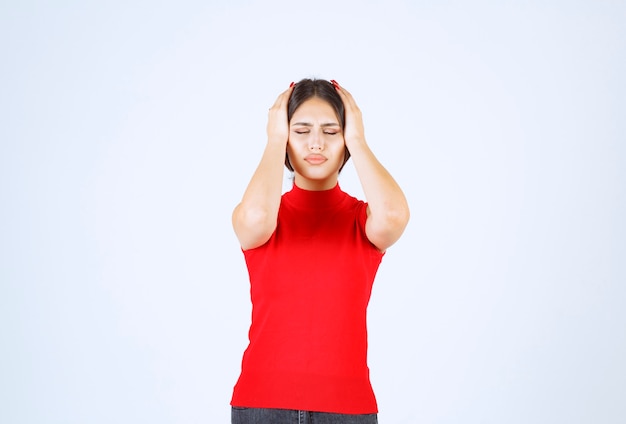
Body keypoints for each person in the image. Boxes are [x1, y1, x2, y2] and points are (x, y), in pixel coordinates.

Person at [230, 78, 410, 424]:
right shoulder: (266, 215)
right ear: (284, 137)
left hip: (348, 409)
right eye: (300, 131)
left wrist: (358, 139)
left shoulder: (363, 221)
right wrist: (273, 141)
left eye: (331, 132)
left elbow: (393, 216)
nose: (316, 143)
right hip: (261, 406)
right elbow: (254, 218)